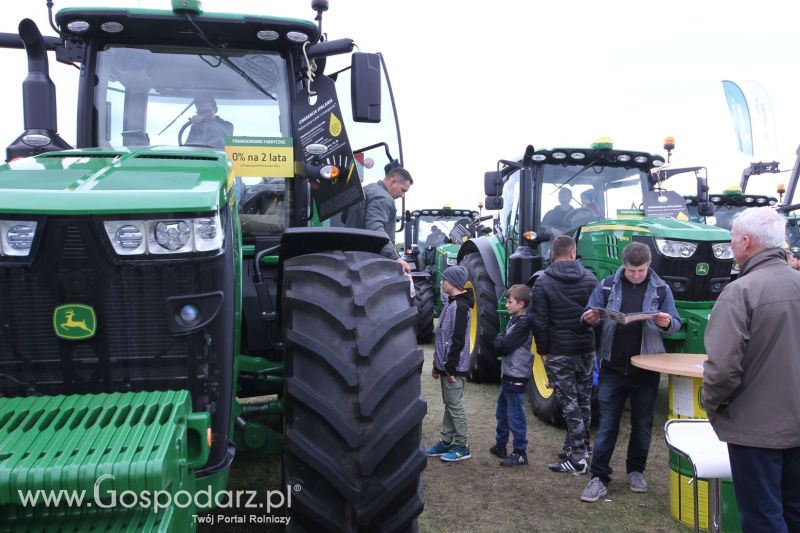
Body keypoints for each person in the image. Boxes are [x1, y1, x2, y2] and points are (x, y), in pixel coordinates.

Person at [702, 207, 800, 533]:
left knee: (762, 518)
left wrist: (712, 403)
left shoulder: (740, 292)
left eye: (732, 239)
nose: (730, 246)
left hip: (757, 431)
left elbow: (722, 369)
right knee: (794, 512)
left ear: (746, 241)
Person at [578, 242, 681, 502]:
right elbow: (588, 313)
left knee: (642, 425)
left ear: (649, 265)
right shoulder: (606, 284)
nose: (636, 275)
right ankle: (599, 477)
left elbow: (676, 324)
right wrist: (588, 318)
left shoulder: (661, 288)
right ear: (623, 265)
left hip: (646, 370)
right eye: (631, 270)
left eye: (641, 270)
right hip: (612, 367)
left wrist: (667, 322)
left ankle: (636, 471)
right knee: (607, 426)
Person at [530, 235, 598, 474]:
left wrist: (543, 351)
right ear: (573, 253)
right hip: (586, 349)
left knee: (569, 404)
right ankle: (580, 447)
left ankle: (578, 457)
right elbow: (598, 314)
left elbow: (539, 320)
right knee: (583, 401)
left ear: (552, 254)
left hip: (560, 351)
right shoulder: (590, 278)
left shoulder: (543, 282)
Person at [426, 265, 473, 462]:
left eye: (444, 279)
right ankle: (446, 441)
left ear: (452, 282)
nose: (441, 282)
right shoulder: (450, 303)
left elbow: (458, 340)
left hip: (454, 367)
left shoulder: (460, 307)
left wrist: (451, 367)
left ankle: (462, 445)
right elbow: (442, 337)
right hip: (447, 366)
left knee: (455, 405)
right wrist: (438, 366)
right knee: (449, 404)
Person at [489, 284, 534, 467]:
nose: (506, 305)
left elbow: (503, 345)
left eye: (510, 302)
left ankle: (520, 451)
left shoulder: (523, 323)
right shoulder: (513, 319)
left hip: (517, 374)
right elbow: (500, 339)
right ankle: (501, 444)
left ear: (521, 304)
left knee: (515, 414)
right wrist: (499, 340)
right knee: (502, 411)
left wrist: (499, 341)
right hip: (508, 373)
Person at [342, 167, 414, 272]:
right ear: (393, 182)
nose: (402, 195)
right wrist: (396, 258)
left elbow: (344, 218)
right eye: (403, 190)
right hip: (368, 262)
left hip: (350, 256)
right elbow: (375, 230)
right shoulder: (383, 198)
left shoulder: (365, 190)